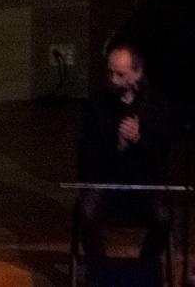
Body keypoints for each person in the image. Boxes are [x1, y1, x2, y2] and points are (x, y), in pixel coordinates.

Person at [77, 36, 173, 264]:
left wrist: (139, 138)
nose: (113, 79)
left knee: (163, 218)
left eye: (120, 74)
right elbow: (87, 153)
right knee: (86, 215)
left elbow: (162, 153)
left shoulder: (155, 104)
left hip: (142, 184)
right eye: (110, 73)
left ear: (138, 73)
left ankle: (144, 268)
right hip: (106, 181)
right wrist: (117, 143)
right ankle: (100, 270)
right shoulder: (97, 103)